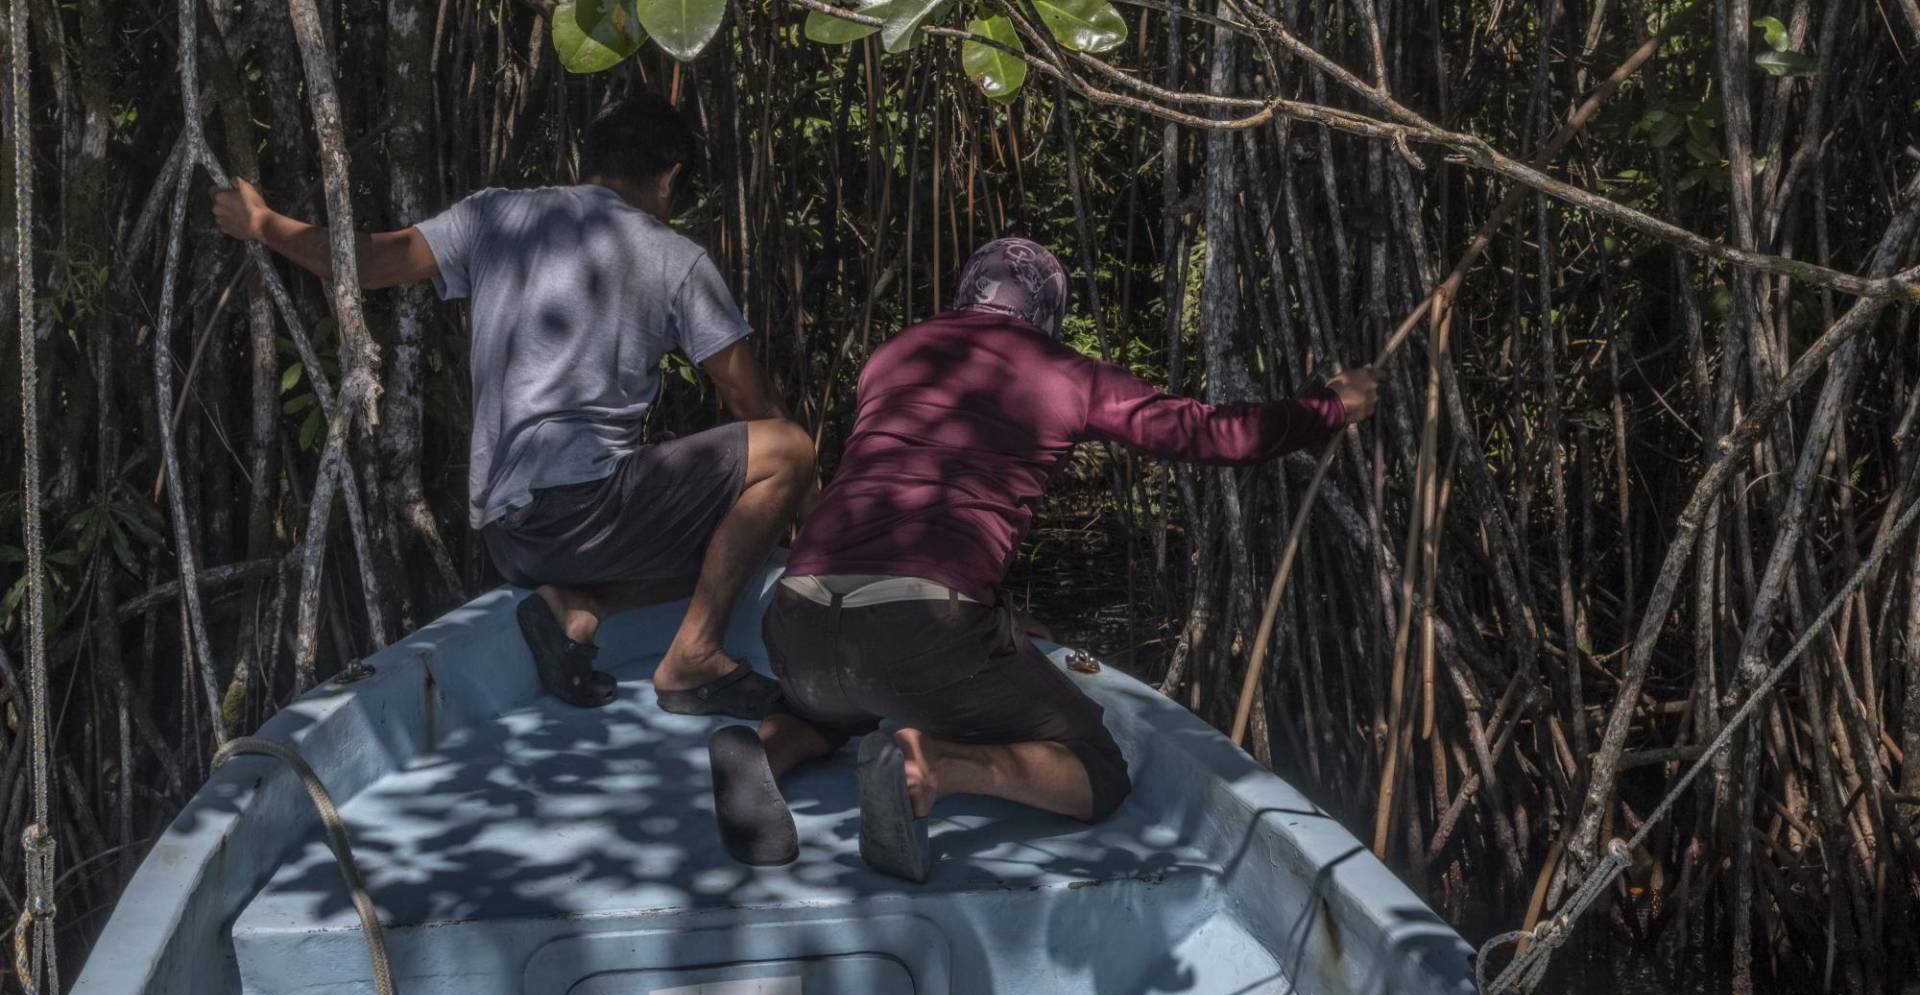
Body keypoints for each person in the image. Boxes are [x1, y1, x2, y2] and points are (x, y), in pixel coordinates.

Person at [704, 237, 1380, 880]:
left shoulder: (895, 353)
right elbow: (1210, 435)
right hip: (918, 631)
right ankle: (933, 764)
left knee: (832, 705)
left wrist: (993, 610)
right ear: (1049, 313)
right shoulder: (1066, 375)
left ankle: (768, 748)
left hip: (799, 619)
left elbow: (905, 492)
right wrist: (1328, 406)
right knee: (1098, 771)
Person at [212, 93, 813, 719]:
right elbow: (752, 403)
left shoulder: (495, 214)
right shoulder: (675, 257)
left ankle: (577, 608)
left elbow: (367, 261)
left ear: (589, 160)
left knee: (729, 546)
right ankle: (694, 655)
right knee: (788, 450)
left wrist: (262, 223)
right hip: (586, 515)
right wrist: (817, 514)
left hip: (510, 534)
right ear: (669, 178)